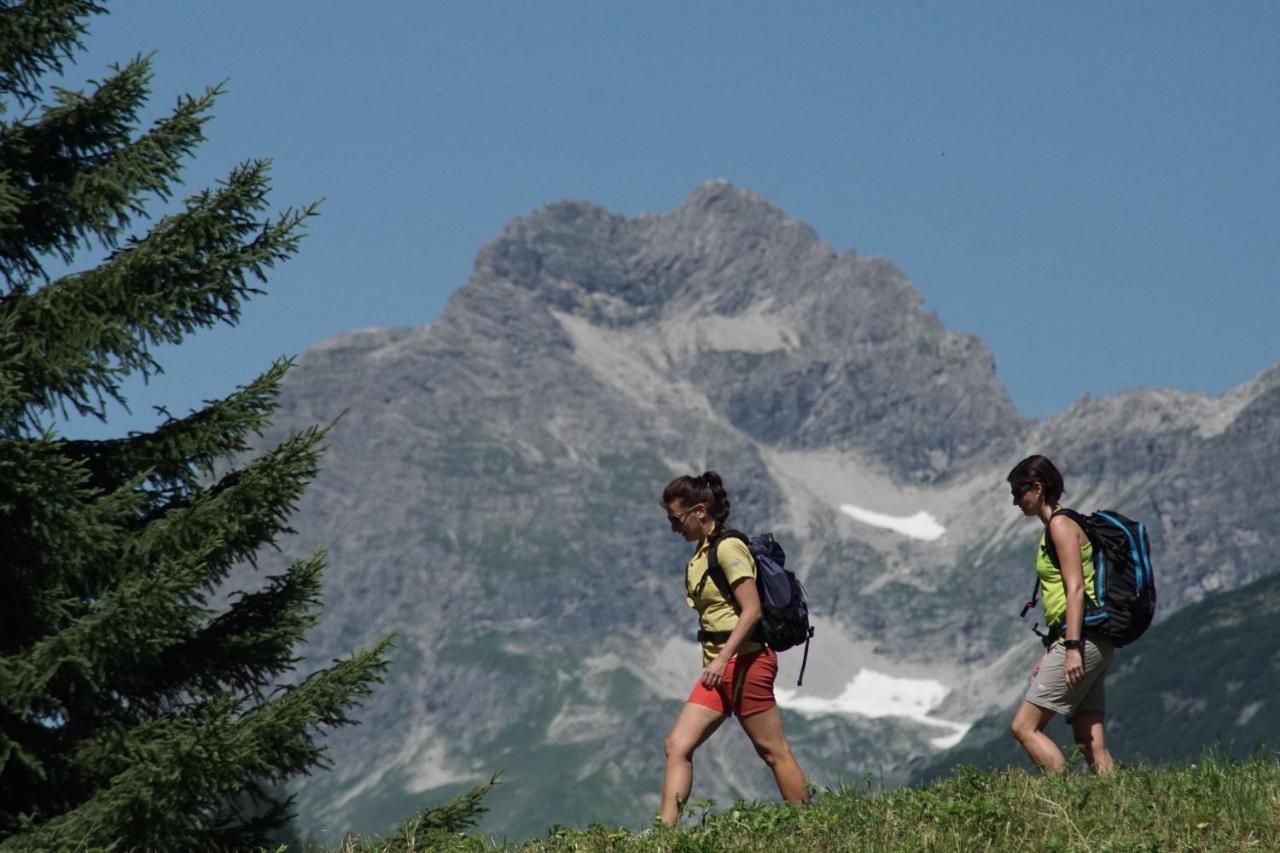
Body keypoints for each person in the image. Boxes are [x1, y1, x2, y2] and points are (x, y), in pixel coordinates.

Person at [658, 471, 809, 826]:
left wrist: (723, 659)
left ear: (699, 511)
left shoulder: (728, 548)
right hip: (718, 670)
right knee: (676, 745)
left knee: (773, 752)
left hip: (747, 662)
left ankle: (812, 831)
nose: (672, 528)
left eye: (675, 519)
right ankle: (662, 837)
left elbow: (752, 609)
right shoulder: (700, 555)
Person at [1007, 454, 1115, 773]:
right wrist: (1056, 646)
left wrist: (1070, 649)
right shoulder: (1060, 525)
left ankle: (1066, 803)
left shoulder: (1061, 525)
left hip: (1081, 642)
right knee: (1090, 740)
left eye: (1018, 492)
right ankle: (1117, 809)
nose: (1015, 502)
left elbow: (1075, 589)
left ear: (1037, 488)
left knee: (1024, 727)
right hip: (1091, 640)